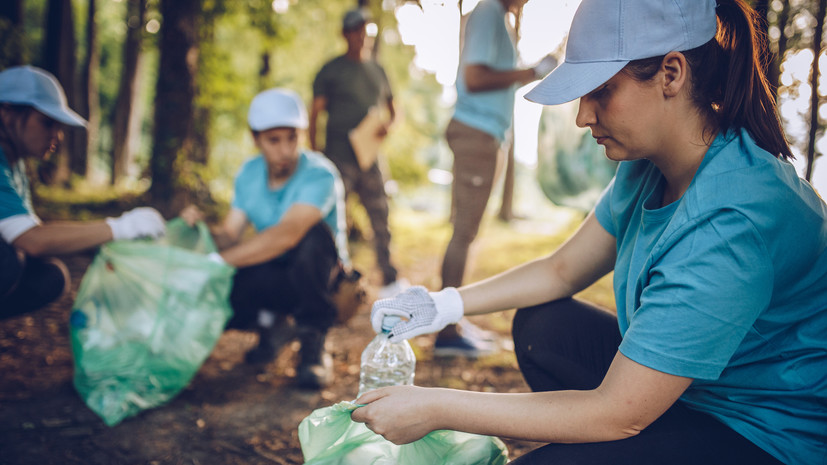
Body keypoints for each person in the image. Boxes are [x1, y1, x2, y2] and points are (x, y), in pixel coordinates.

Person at [352, 1, 827, 464]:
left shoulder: (733, 218)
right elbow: (560, 270)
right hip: (697, 393)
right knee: (542, 325)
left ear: (671, 73)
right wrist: (441, 305)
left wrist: (435, 407)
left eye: (601, 90)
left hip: (765, 432)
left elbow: (616, 413)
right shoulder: (646, 166)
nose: (583, 116)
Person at [181, 88, 349, 389]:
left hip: (325, 280)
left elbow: (288, 234)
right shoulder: (249, 173)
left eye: (292, 137)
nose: (285, 150)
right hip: (278, 272)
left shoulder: (320, 173)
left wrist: (216, 262)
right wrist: (202, 230)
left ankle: (313, 346)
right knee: (233, 279)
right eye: (274, 140)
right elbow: (230, 235)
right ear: (255, 138)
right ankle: (272, 327)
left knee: (311, 236)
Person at [434, 0, 557, 357]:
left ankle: (453, 320)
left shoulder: (497, 16)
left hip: (485, 134)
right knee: (463, 233)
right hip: (476, 132)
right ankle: (445, 331)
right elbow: (475, 77)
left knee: (468, 233)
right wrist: (531, 72)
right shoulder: (489, 11)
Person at [0, 65, 166, 319]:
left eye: (59, 125)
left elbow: (35, 230)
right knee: (8, 260)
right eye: (47, 123)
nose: (58, 136)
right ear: (7, 113)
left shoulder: (15, 165)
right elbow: (31, 241)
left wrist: (108, 245)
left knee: (50, 277)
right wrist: (120, 227)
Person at [309, 8, 408, 300]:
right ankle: (328, 278)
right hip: (338, 156)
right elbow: (315, 114)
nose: (360, 35)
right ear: (345, 34)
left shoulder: (377, 70)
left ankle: (389, 278)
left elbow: (393, 110)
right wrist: (315, 156)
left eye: (364, 29)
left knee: (381, 215)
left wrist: (387, 127)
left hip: (370, 158)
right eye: (354, 30)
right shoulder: (331, 70)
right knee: (332, 219)